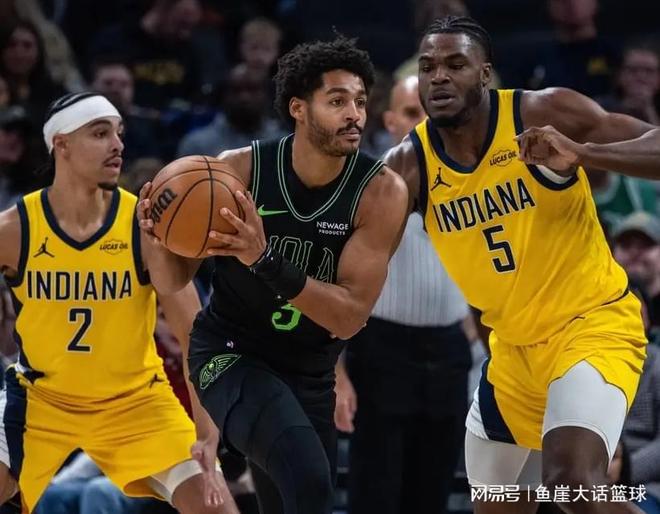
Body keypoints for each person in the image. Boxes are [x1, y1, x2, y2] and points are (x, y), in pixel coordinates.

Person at [385, 14, 660, 513]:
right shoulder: (408, 166)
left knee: (572, 485)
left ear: (485, 74)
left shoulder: (541, 112)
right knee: (499, 503)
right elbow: (348, 246)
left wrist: (582, 153)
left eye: (455, 64)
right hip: (513, 355)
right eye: (427, 67)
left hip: (590, 326)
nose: (439, 76)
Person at [138, 36, 409, 514]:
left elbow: (348, 318)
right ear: (298, 108)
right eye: (337, 101)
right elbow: (174, 279)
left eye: (361, 101)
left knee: (294, 502)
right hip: (230, 354)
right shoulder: (236, 171)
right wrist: (157, 240)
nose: (355, 114)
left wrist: (263, 259)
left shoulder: (381, 192)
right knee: (309, 484)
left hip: (310, 370)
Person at [0, 92, 238, 514]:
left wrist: (206, 429)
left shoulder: (143, 226)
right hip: (42, 400)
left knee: (213, 503)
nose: (117, 144)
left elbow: (195, 333)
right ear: (61, 144)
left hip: (135, 402)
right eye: (100, 133)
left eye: (119, 133)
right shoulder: (14, 229)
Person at [334, 74, 471, 514]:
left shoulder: (474, 183)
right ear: (390, 121)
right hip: (380, 348)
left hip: (450, 350)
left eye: (430, 112)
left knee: (433, 494)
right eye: (412, 112)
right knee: (376, 492)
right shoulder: (364, 188)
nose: (423, 122)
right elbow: (335, 284)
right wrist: (337, 373)